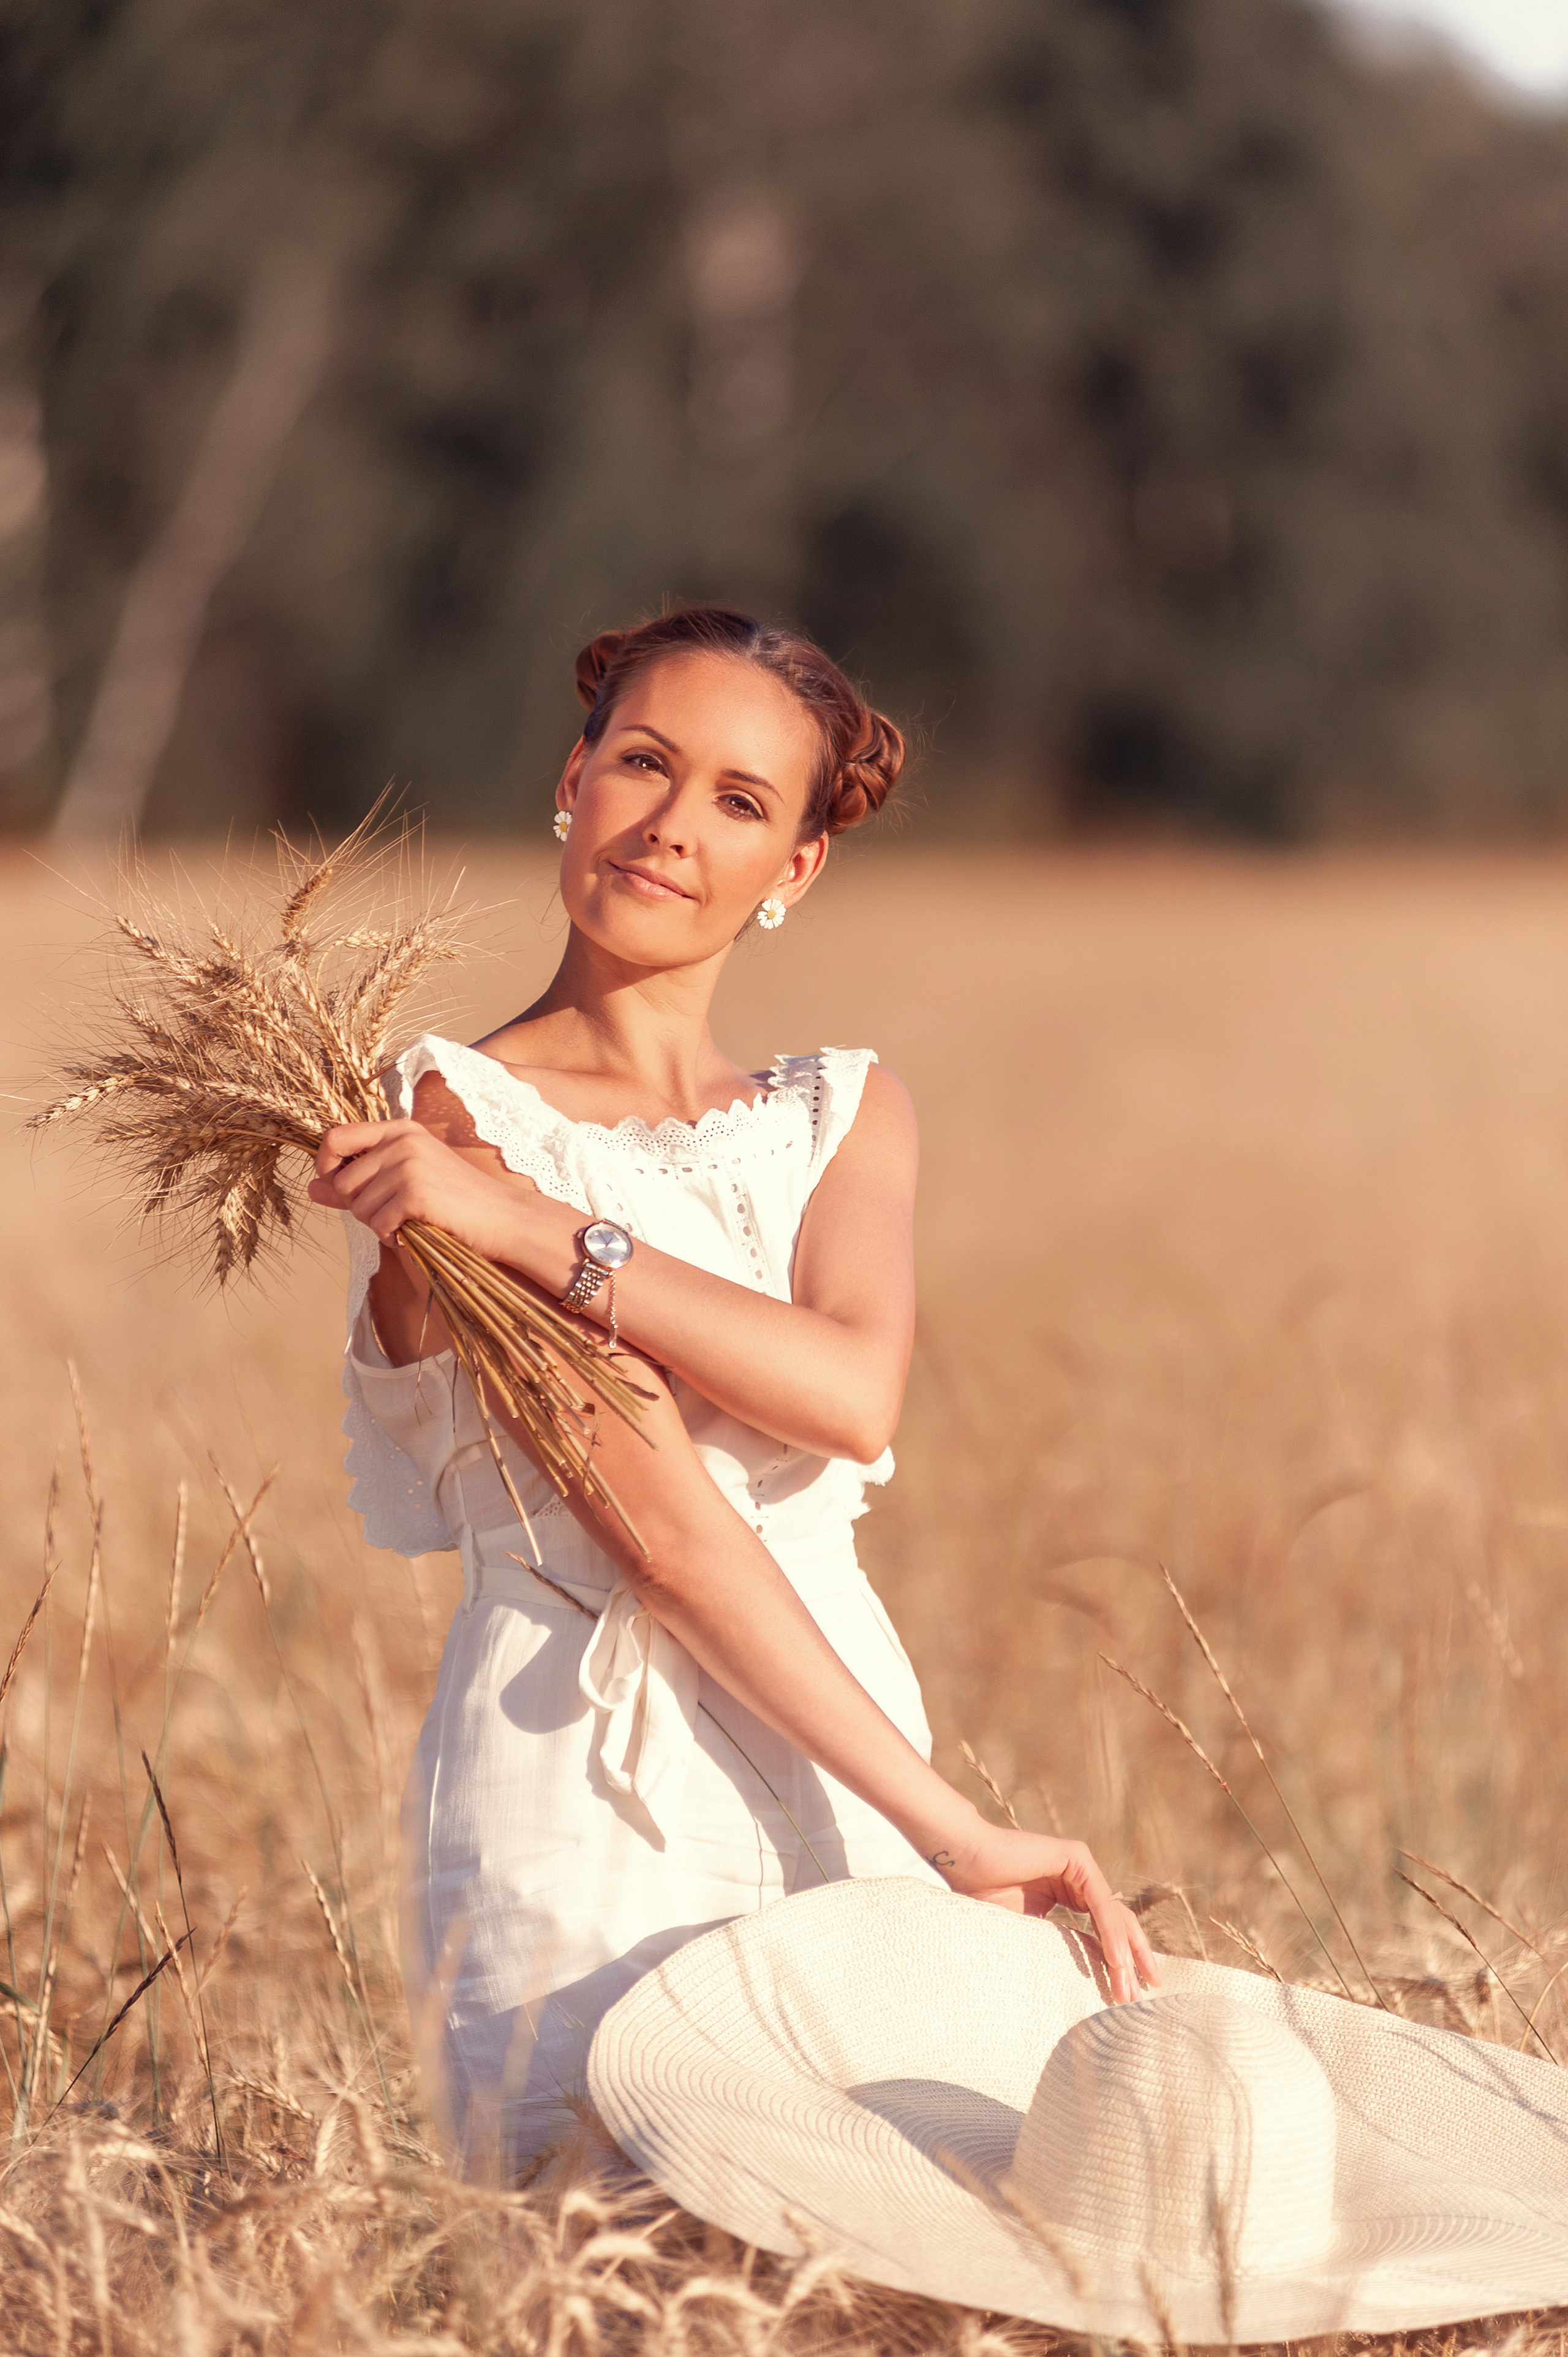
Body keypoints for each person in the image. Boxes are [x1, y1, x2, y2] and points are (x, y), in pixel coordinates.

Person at [309, 607, 1158, 2173]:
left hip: (847, 1761)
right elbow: (656, 1516)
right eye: (642, 763)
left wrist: (533, 1225)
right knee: (614, 2271)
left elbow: (849, 1395)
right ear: (572, 778)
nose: (671, 827)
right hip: (577, 1773)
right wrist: (956, 1828)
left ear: (797, 871)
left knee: (901, 2266)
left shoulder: (842, 1112)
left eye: (739, 802)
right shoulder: (443, 1108)